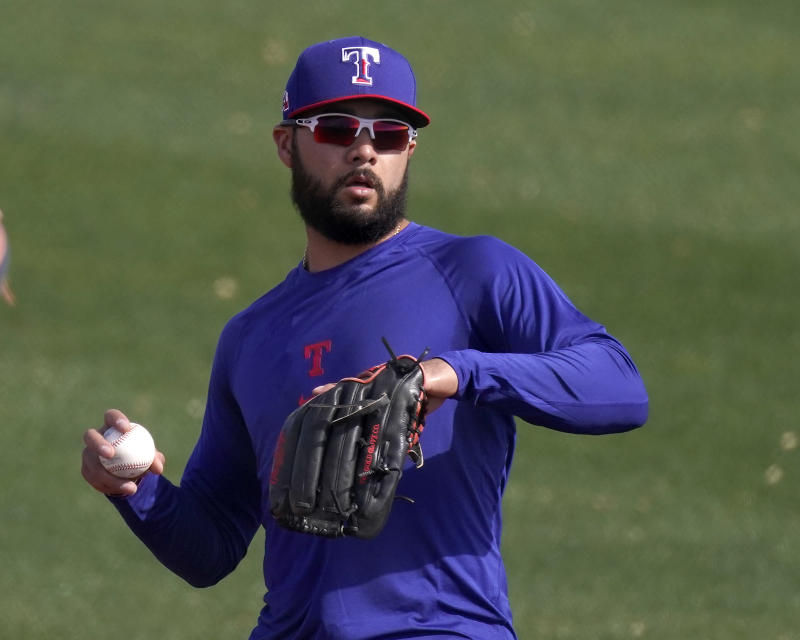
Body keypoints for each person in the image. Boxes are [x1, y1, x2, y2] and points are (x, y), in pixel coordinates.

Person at [81, 36, 649, 640]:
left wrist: (456, 374)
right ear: (286, 144)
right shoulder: (250, 337)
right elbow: (211, 547)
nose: (364, 150)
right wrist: (136, 491)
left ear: (411, 147)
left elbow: (619, 386)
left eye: (390, 132)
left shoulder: (474, 272)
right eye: (335, 128)